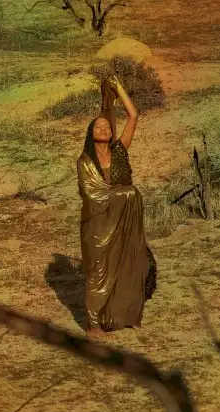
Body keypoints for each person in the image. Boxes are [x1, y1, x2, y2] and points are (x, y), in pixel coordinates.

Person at [76, 75, 156, 337]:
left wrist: (118, 87)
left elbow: (133, 116)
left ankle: (126, 314)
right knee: (99, 272)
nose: (103, 129)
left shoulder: (120, 150)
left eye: (106, 127)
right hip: (98, 226)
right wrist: (126, 193)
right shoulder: (85, 162)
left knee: (132, 264)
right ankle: (93, 323)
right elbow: (92, 195)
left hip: (124, 221)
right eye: (97, 126)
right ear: (90, 133)